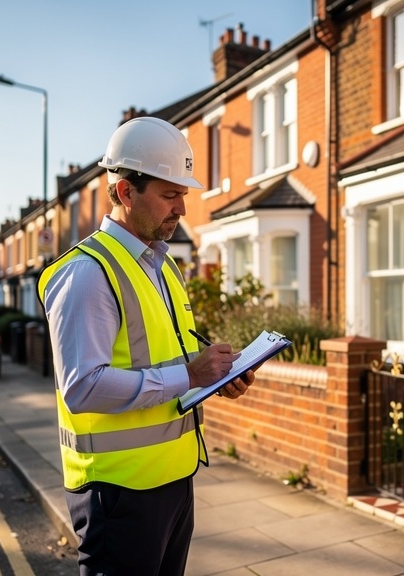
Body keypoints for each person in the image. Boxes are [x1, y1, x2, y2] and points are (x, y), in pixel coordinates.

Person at [37, 116, 256, 575]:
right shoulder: (88, 275)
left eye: (184, 195)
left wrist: (215, 376)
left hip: (174, 480)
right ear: (124, 192)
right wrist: (190, 375)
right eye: (169, 195)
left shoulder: (162, 265)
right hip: (118, 494)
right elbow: (82, 387)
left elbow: (162, 359)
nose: (182, 209)